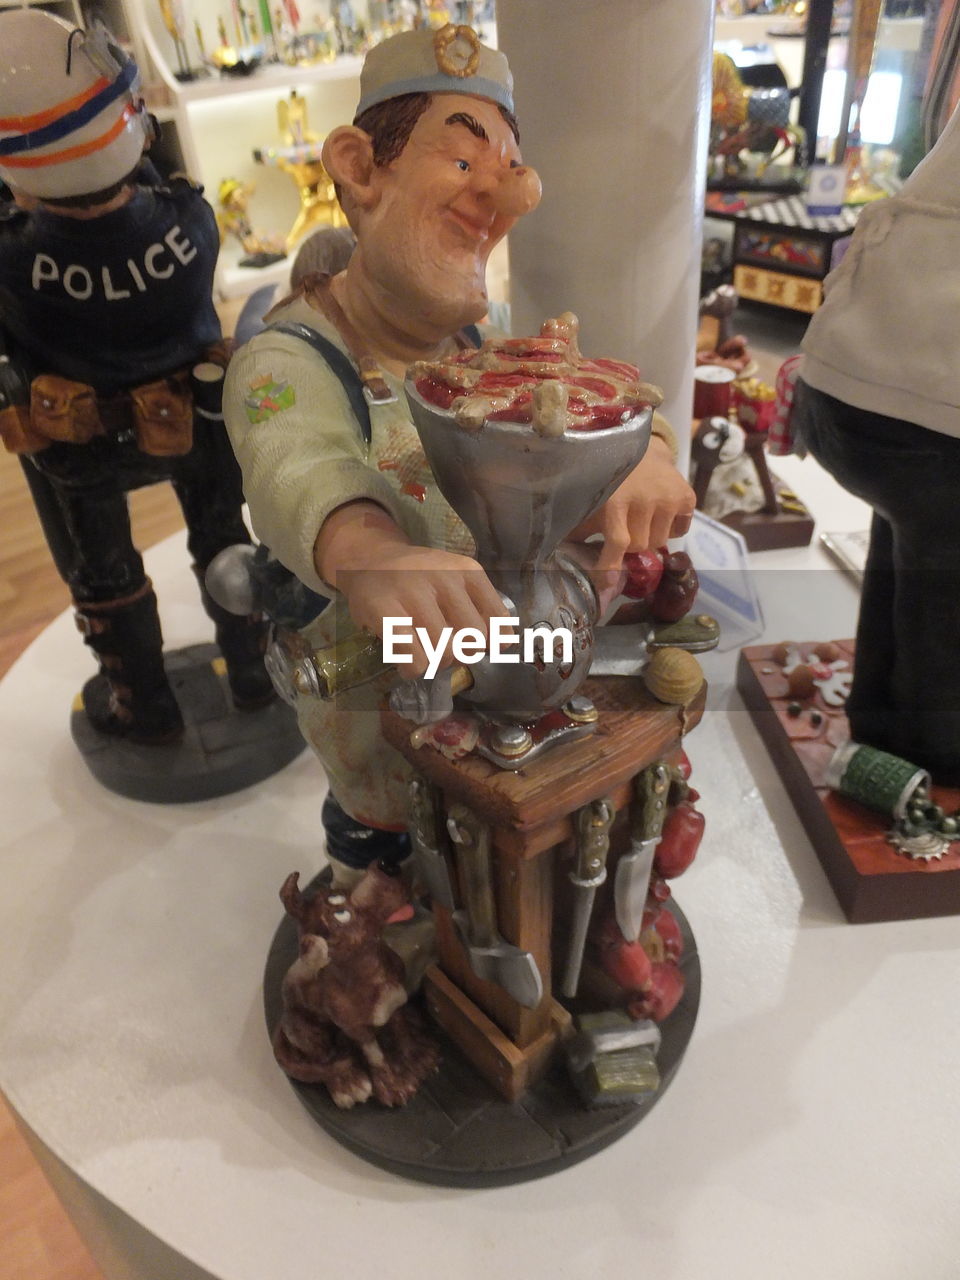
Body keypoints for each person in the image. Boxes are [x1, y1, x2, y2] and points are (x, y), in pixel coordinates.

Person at [223, 24, 695, 879]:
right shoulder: (290, 361)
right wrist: (371, 553)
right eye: (466, 164)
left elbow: (565, 395)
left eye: (508, 170)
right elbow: (300, 463)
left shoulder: (479, 341)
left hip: (501, 712)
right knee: (390, 896)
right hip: (383, 735)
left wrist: (641, 458)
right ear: (362, 168)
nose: (507, 198)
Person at [0, 9, 271, 743]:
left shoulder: (16, 260)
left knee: (104, 575)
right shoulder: (192, 220)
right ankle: (254, 674)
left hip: (81, 443)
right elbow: (152, 187)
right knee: (222, 541)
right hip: (196, 420)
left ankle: (144, 708)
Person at [790, 100, 960, 782]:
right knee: (943, 569)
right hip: (930, 402)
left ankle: (876, 714)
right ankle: (935, 754)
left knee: (910, 540)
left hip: (842, 388)